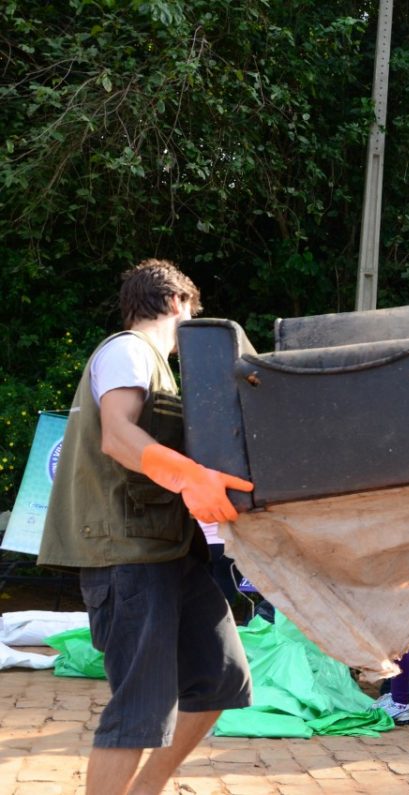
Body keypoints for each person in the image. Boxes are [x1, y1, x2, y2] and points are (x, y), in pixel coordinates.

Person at [38, 259, 254, 795]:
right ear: (178, 302)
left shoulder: (153, 364)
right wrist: (188, 477)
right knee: (140, 707)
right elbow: (117, 435)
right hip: (127, 555)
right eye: (192, 312)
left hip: (171, 554)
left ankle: (144, 789)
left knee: (220, 679)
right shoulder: (129, 351)